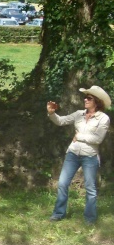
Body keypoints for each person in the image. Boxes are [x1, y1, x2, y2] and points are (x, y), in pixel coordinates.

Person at [47, 86, 111, 224]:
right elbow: (61, 121)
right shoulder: (78, 114)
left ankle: (90, 219)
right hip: (73, 154)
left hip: (90, 156)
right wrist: (52, 113)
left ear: (97, 101)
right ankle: (58, 214)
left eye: (89, 98)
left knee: (90, 188)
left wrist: (80, 136)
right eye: (85, 97)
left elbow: (98, 139)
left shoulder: (103, 118)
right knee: (62, 183)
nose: (85, 99)